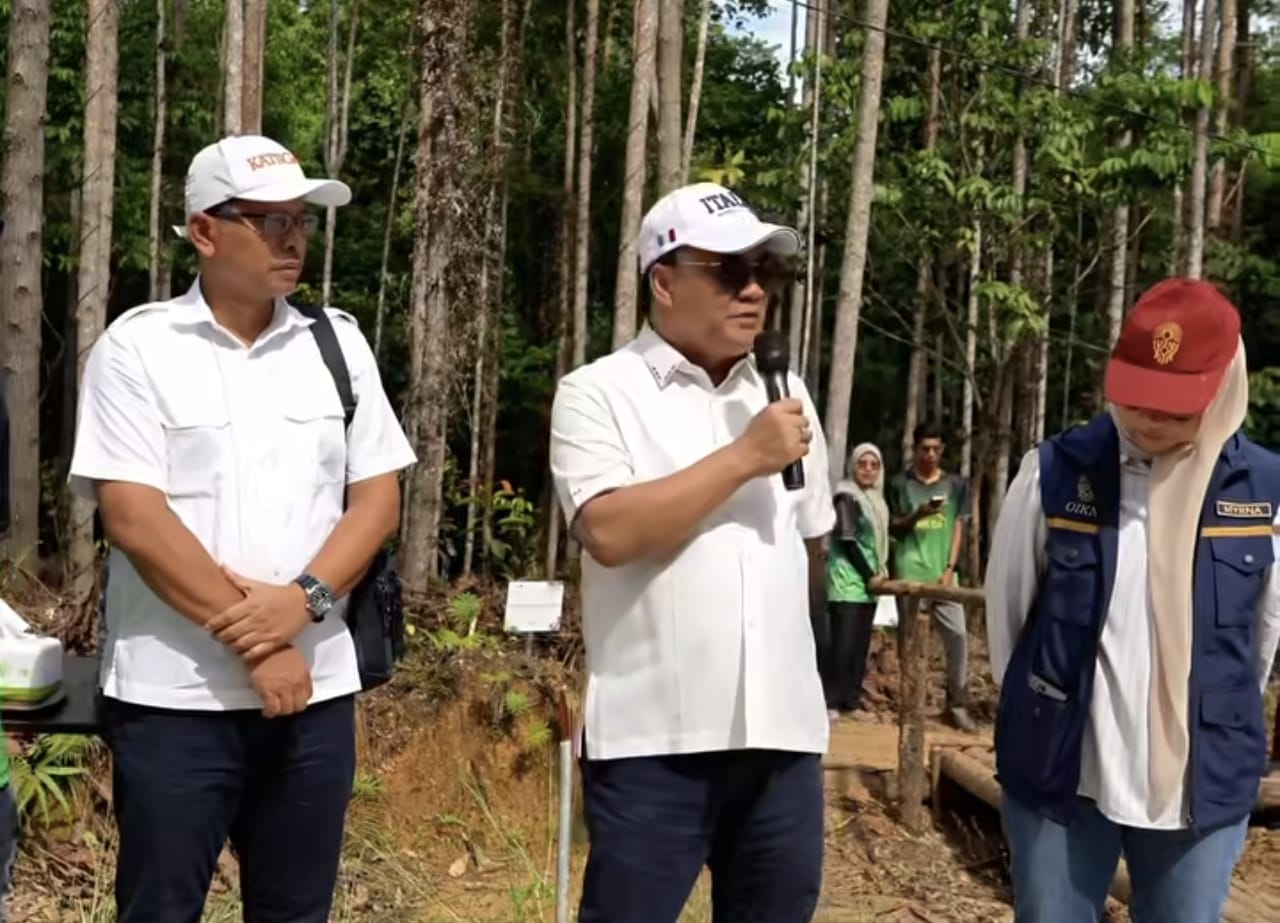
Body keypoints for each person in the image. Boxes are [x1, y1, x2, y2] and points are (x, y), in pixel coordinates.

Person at [67, 135, 417, 923]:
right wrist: (263, 644)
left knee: (296, 911)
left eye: (300, 219)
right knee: (160, 908)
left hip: (314, 695)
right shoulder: (139, 347)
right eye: (268, 220)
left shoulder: (337, 343)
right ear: (203, 230)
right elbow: (134, 515)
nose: (293, 238)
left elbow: (377, 500)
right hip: (173, 698)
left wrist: (304, 603)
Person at [550, 182, 834, 923]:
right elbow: (608, 530)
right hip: (655, 744)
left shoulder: (786, 393)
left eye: (763, 272)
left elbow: (809, 545)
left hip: (781, 743)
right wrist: (744, 456)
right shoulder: (596, 393)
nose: (752, 290)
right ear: (665, 282)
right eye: (728, 271)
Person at [984, 278, 1280, 922]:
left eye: (1176, 408)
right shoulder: (1055, 472)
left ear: (1225, 387)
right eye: (1140, 399)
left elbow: (1259, 645)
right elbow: (1008, 621)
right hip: (1064, 773)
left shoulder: (1264, 495)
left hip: (1199, 787)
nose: (1151, 421)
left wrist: (1207, 713)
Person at [887, 421, 974, 730]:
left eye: (937, 449)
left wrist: (950, 569)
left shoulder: (956, 485)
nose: (931, 455)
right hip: (910, 573)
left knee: (958, 637)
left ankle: (957, 702)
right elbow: (893, 527)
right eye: (925, 449)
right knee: (909, 641)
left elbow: (959, 528)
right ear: (915, 448)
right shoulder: (899, 483)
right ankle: (911, 704)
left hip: (943, 575)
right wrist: (917, 515)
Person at [823, 442, 890, 719]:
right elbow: (848, 540)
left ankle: (850, 701)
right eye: (862, 464)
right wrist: (869, 574)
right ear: (853, 466)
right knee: (842, 644)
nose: (868, 470)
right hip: (847, 582)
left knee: (859, 647)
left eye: (874, 465)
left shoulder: (875, 500)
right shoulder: (846, 497)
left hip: (867, 587)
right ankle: (831, 702)